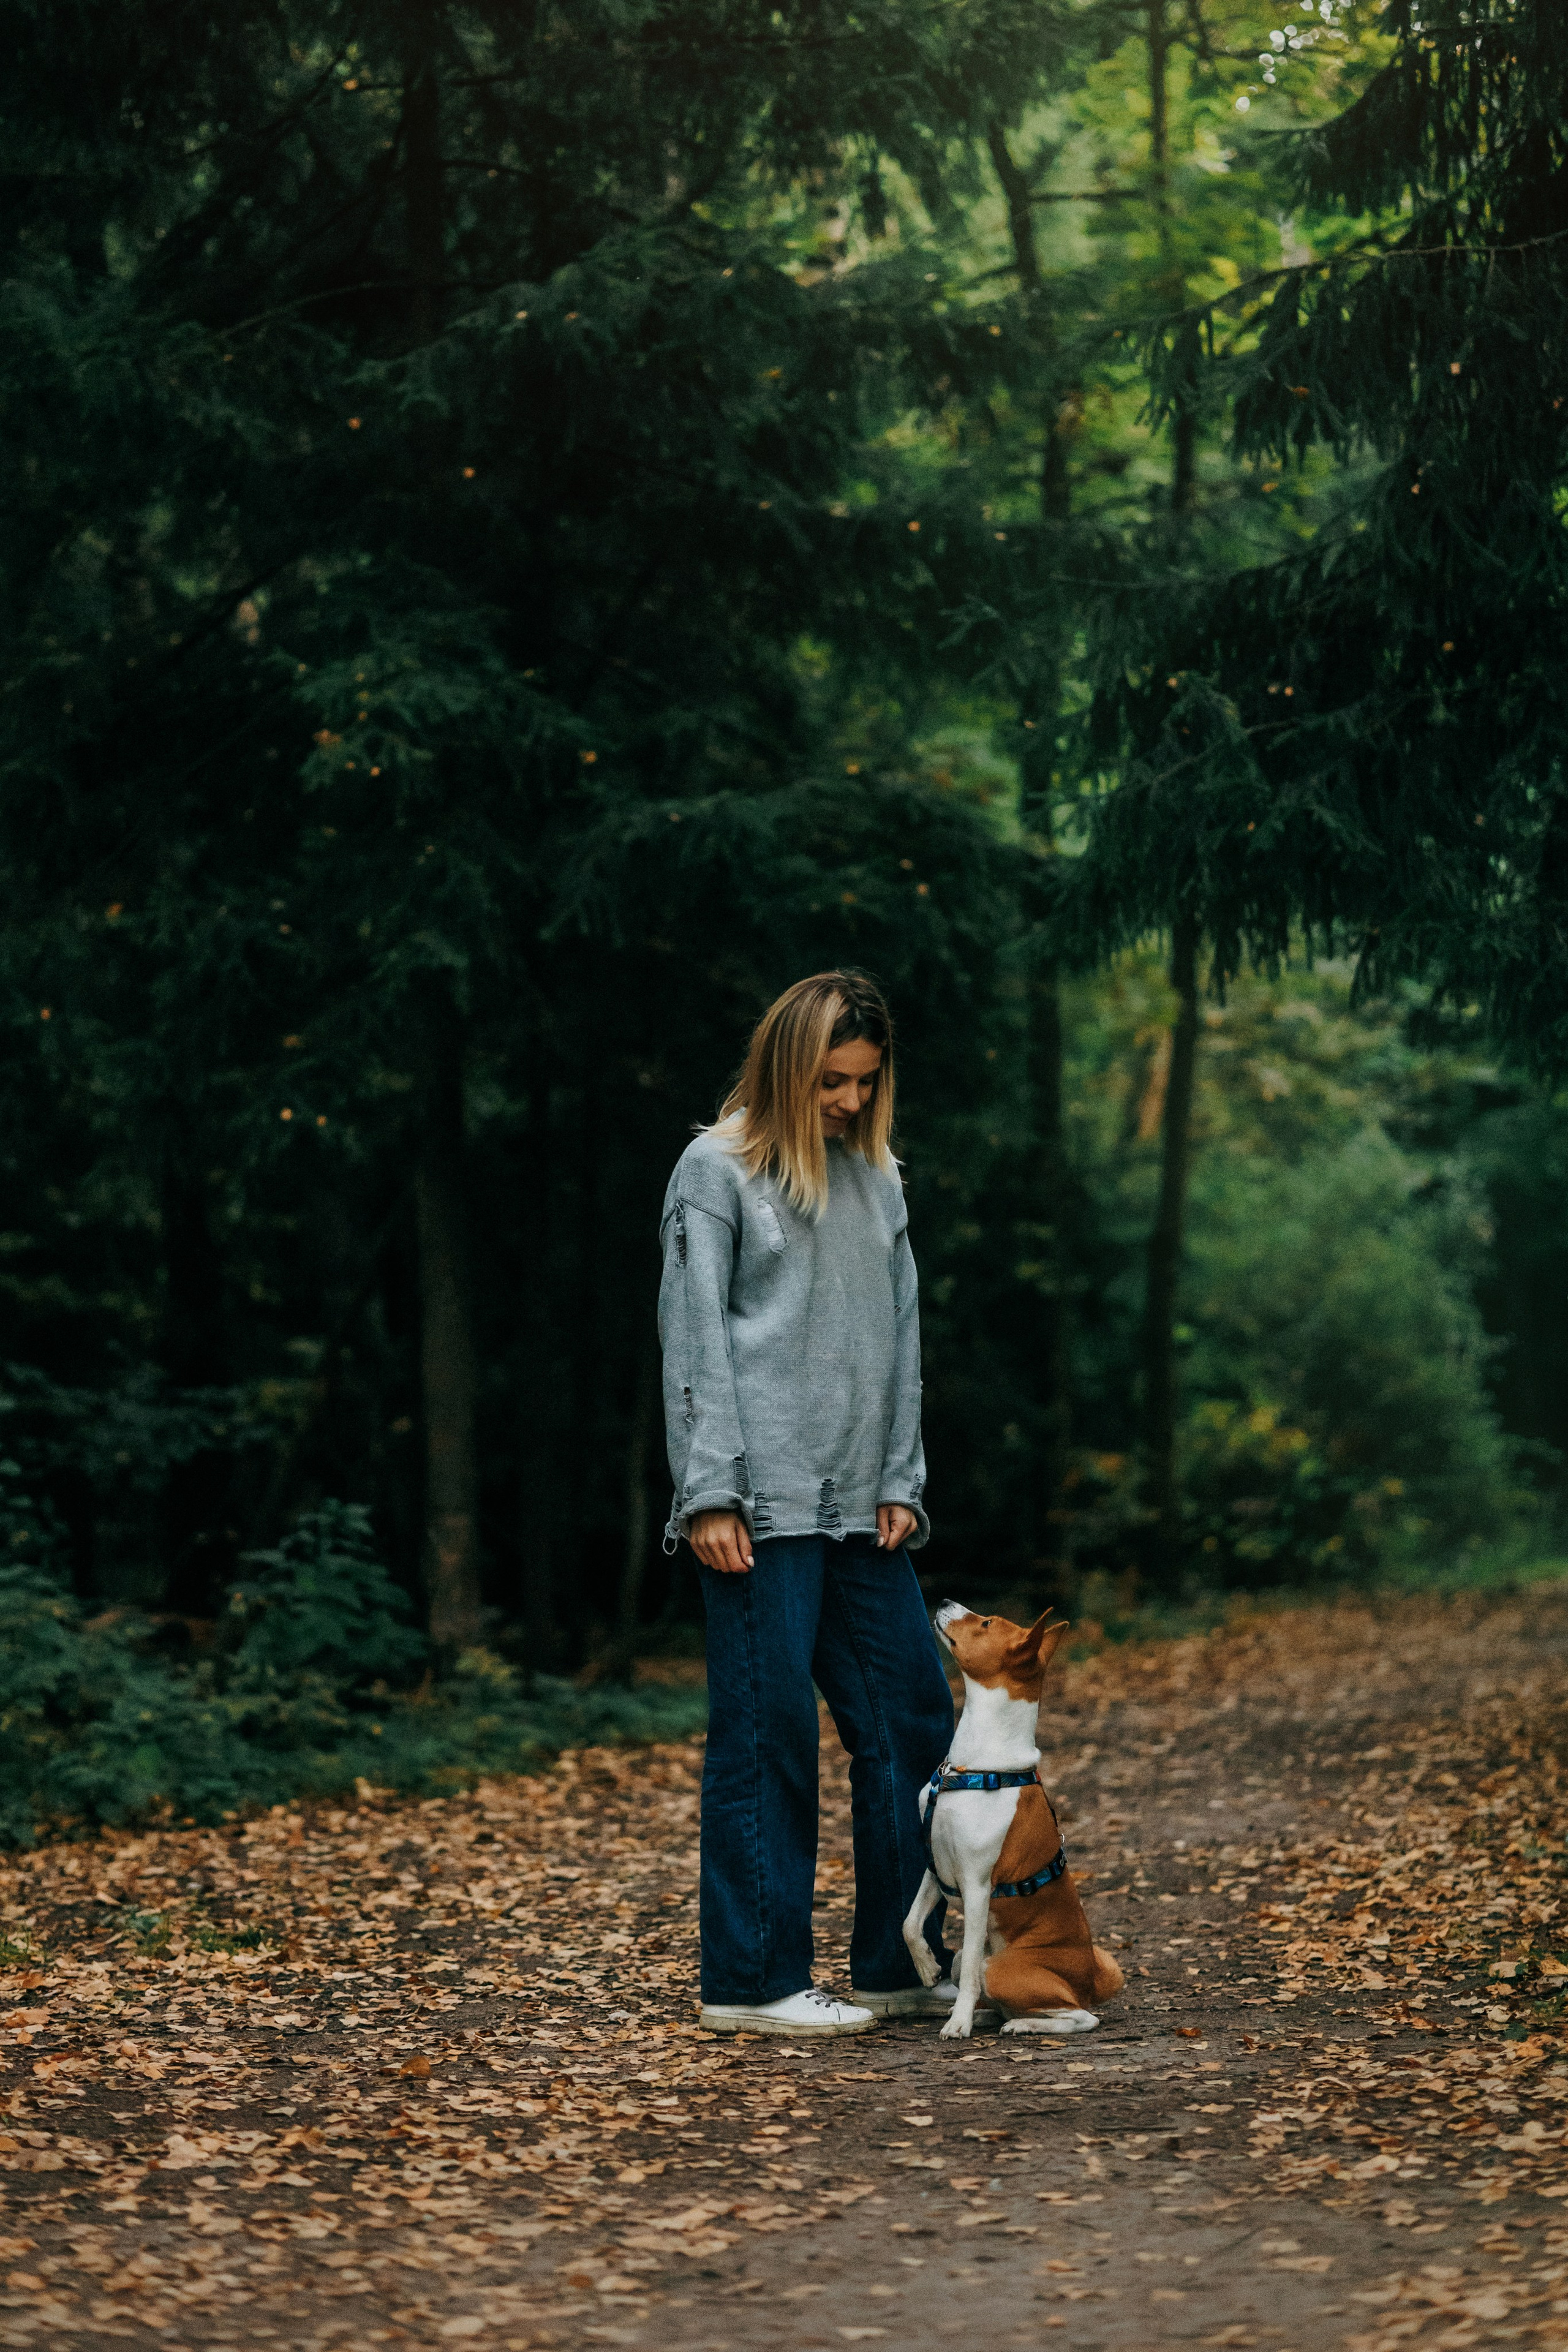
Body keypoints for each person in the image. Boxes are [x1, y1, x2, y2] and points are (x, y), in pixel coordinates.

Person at [658, 970, 957, 2036]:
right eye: (832, 1081)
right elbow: (694, 1336)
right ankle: (753, 1982)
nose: (849, 1100)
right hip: (757, 1507)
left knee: (912, 1720)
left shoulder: (878, 1179)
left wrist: (899, 1479)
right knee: (767, 1735)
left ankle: (895, 1963)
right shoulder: (716, 1170)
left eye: (865, 1083)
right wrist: (710, 1492)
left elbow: (901, 1335)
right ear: (787, 1068)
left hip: (864, 1509)